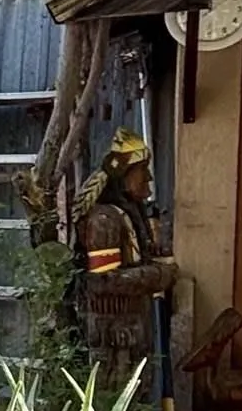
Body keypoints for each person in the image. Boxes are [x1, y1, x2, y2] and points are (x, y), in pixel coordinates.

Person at [74, 128, 175, 391]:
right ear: (124, 175)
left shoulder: (127, 215)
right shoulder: (104, 220)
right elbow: (104, 280)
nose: (148, 178)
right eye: (142, 170)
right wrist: (160, 275)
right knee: (115, 400)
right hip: (112, 338)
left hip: (131, 331)